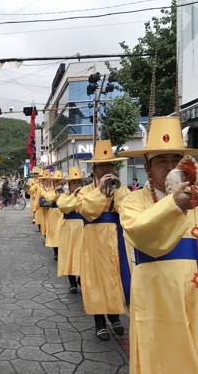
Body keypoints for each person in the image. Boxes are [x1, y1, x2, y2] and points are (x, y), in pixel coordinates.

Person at [118, 117, 198, 374]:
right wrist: (175, 205)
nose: (170, 167)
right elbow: (141, 235)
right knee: (163, 360)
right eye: (161, 161)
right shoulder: (133, 201)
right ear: (148, 167)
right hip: (157, 298)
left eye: (175, 160)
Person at [76, 140, 132, 341]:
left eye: (110, 165)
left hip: (115, 238)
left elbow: (129, 207)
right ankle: (99, 322)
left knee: (115, 276)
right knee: (96, 280)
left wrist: (115, 192)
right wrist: (99, 190)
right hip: (94, 241)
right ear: (95, 169)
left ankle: (115, 317)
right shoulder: (85, 191)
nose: (107, 169)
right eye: (103, 166)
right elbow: (86, 211)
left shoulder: (120, 188)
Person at [56, 166, 90, 293]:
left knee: (82, 253)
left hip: (83, 226)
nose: (77, 185)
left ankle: (82, 278)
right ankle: (72, 282)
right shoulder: (63, 196)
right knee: (69, 253)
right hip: (68, 228)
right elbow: (63, 208)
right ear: (68, 185)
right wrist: (74, 196)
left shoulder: (87, 195)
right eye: (74, 183)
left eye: (79, 182)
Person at [42, 171, 64, 260]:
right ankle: (56, 252)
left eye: (59, 182)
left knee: (62, 232)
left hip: (63, 213)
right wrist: (55, 192)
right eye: (56, 182)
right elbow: (48, 198)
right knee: (55, 232)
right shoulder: (51, 191)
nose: (58, 184)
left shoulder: (66, 191)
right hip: (54, 213)